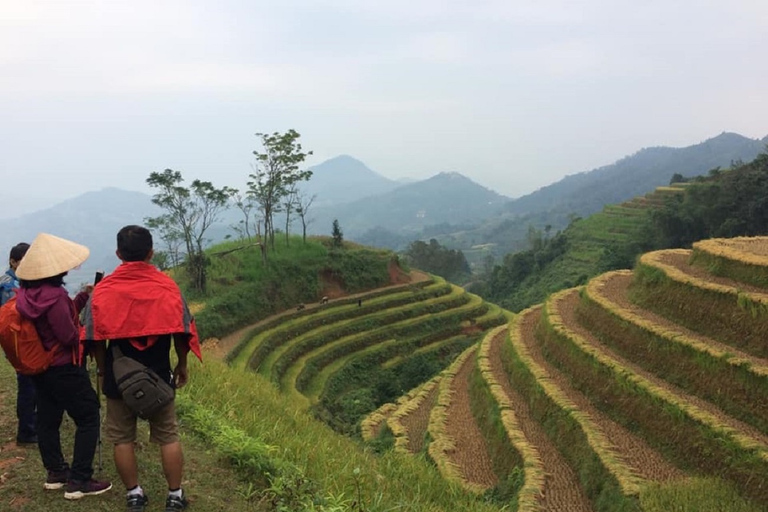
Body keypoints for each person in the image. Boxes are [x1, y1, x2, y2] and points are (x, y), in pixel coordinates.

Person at [84, 225, 201, 512]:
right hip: (159, 373)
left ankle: (134, 494)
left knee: (122, 437)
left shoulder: (103, 291)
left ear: (118, 253)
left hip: (117, 374)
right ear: (151, 252)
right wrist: (182, 364)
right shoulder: (166, 287)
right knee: (168, 435)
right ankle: (175, 496)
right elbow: (182, 329)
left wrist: (101, 370)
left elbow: (94, 334)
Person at [14, 233, 112, 499]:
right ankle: (80, 480)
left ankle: (56, 472)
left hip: (41, 366)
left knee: (48, 418)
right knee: (88, 415)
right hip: (64, 366)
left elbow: (50, 321)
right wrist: (82, 328)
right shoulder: (55, 295)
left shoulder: (27, 294)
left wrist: (80, 298)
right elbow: (68, 335)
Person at [0, 242, 38, 445]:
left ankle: (31, 424)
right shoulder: (9, 286)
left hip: (24, 341)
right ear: (13, 261)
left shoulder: (21, 281)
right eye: (24, 260)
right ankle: (27, 431)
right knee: (28, 385)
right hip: (19, 341)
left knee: (30, 384)